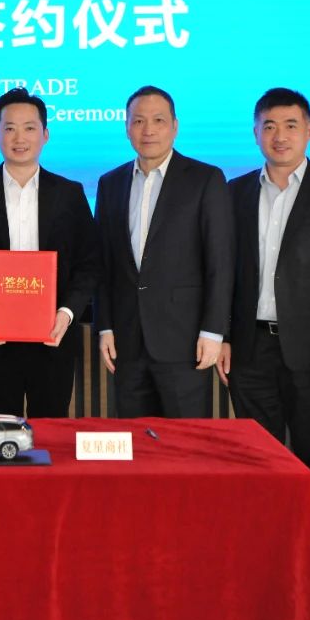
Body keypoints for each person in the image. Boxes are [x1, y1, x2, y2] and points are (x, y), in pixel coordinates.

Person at [217, 88, 310, 574]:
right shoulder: (235, 192)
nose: (279, 136)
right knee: (257, 455)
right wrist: (224, 336)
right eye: (269, 126)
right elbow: (224, 272)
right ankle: (265, 547)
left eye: (290, 125)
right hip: (249, 347)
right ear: (256, 132)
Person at [0, 88, 99, 417]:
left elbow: (89, 263)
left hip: (53, 337)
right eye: (9, 128)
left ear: (45, 135)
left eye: (29, 128)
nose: (19, 138)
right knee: (0, 435)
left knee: (50, 433)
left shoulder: (69, 193)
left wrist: (67, 312)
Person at [94, 86, 232, 418]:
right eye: (138, 121)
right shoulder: (110, 183)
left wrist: (213, 331)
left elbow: (221, 262)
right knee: (136, 439)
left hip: (185, 341)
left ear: (175, 126)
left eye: (158, 120)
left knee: (186, 440)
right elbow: (104, 263)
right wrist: (105, 327)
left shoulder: (205, 179)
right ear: (127, 127)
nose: (148, 130)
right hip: (127, 341)